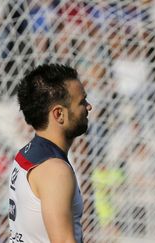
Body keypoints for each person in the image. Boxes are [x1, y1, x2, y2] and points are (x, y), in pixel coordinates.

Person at [8, 64, 92, 243]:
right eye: (82, 102)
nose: (89, 106)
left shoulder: (25, 154)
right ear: (59, 114)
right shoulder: (55, 171)